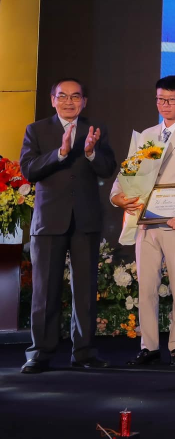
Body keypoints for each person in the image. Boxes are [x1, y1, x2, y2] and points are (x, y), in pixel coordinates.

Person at [19, 78, 116, 374]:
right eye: (63, 96)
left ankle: (84, 352)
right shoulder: (36, 130)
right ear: (53, 100)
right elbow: (29, 170)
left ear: (84, 101)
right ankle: (40, 353)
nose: (69, 102)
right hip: (49, 220)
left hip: (85, 220)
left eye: (75, 97)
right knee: (44, 291)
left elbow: (108, 168)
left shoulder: (95, 129)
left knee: (85, 290)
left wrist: (91, 152)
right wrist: (60, 153)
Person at [111, 75, 175, 366]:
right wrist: (117, 196)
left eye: (172, 100)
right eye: (160, 99)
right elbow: (130, 173)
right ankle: (149, 346)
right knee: (146, 286)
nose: (165, 105)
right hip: (146, 222)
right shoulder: (147, 135)